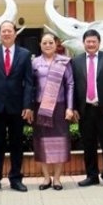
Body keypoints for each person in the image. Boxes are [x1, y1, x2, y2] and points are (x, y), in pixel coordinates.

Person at [0, 20, 33, 193]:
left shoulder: (24, 54)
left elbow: (29, 83)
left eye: (10, 31)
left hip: (18, 107)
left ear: (15, 34)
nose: (7, 33)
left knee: (17, 145)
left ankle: (16, 179)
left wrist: (27, 105)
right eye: (4, 31)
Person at [71, 29, 103, 190]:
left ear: (99, 43)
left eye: (94, 41)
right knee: (88, 144)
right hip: (85, 110)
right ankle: (91, 176)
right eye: (88, 41)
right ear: (83, 43)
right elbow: (73, 87)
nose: (91, 44)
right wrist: (74, 108)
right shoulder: (76, 61)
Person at [32, 32, 75, 191]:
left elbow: (70, 84)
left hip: (59, 107)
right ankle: (46, 178)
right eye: (45, 43)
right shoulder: (34, 63)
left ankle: (57, 179)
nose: (48, 45)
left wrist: (70, 107)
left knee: (60, 142)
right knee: (42, 142)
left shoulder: (64, 62)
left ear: (56, 44)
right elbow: (30, 85)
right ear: (40, 45)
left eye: (51, 42)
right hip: (40, 108)